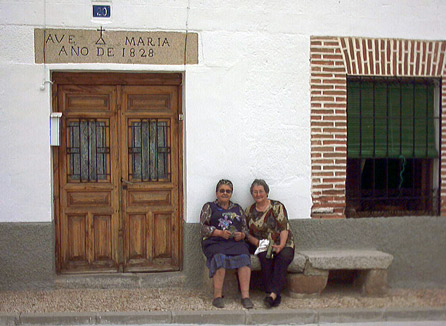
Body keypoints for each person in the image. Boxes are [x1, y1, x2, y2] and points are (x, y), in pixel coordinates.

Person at [200, 179, 254, 309]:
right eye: (222, 191)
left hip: (234, 242)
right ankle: (217, 297)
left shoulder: (237, 208)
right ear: (217, 193)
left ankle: (245, 296)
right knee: (219, 257)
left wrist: (241, 235)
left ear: (231, 193)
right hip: (215, 242)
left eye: (228, 191)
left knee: (244, 257)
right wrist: (218, 233)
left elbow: (245, 229)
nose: (225, 193)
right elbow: (203, 228)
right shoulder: (209, 207)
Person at [245, 179, 295, 308]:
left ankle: (272, 294)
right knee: (264, 256)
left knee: (282, 258)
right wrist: (256, 242)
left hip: (282, 242)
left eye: (261, 191)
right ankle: (272, 292)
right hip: (262, 243)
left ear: (266, 192)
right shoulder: (249, 211)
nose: (258, 194)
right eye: (255, 192)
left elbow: (284, 228)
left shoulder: (277, 206)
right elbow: (246, 232)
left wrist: (281, 245)